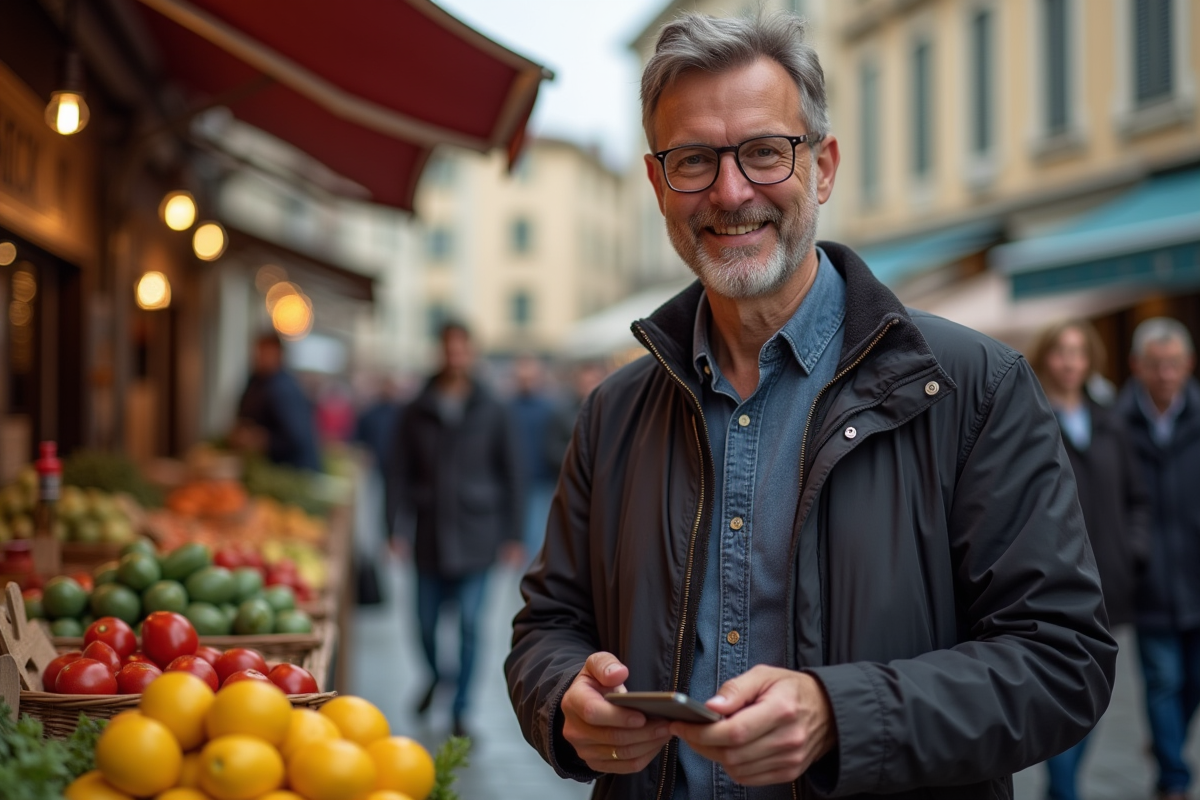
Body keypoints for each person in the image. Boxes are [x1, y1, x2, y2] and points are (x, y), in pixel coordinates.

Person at [506, 13, 1115, 800]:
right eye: (694, 160)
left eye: (765, 152)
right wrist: (563, 698)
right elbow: (548, 626)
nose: (731, 192)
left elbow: (1064, 660)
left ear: (822, 168)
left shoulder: (975, 387)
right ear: (659, 186)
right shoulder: (615, 410)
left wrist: (842, 715)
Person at [1030, 320, 1149, 800]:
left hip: (1111, 582)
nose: (1070, 362)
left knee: (1099, 693)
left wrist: (1134, 550)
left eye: (1079, 352)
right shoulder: (1030, 415)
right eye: (1061, 352)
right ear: (1046, 357)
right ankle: (1062, 789)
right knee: (1065, 691)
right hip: (1057, 582)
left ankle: (1065, 786)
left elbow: (1136, 496)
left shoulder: (1109, 420)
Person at [388, 321, 523, 737]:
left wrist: (514, 534)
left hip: (477, 533)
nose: (455, 356)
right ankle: (436, 676)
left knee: (469, 625)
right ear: (440, 351)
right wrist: (392, 526)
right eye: (449, 349)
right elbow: (397, 470)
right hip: (428, 531)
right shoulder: (417, 406)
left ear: (472, 353)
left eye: (462, 349)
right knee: (424, 625)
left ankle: (462, 708)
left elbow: (513, 472)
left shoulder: (493, 406)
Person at [1116, 317, 1200, 800]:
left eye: (1173, 364)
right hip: (1149, 578)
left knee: (1194, 679)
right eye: (1156, 365)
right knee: (1163, 680)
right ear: (1136, 367)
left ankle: (1166, 743)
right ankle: (1174, 779)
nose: (1166, 374)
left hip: (1196, 572)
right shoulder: (1116, 424)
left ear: (1188, 364)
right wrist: (1133, 555)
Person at [233, 332, 322, 472]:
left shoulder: (283, 389)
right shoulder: (256, 381)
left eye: (265, 353)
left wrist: (262, 441)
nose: (260, 357)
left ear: (279, 355)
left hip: (292, 470)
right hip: (266, 464)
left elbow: (296, 438)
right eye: (258, 352)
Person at [508, 355, 558, 558]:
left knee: (536, 536)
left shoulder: (550, 408)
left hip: (541, 482)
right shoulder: (507, 408)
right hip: (515, 482)